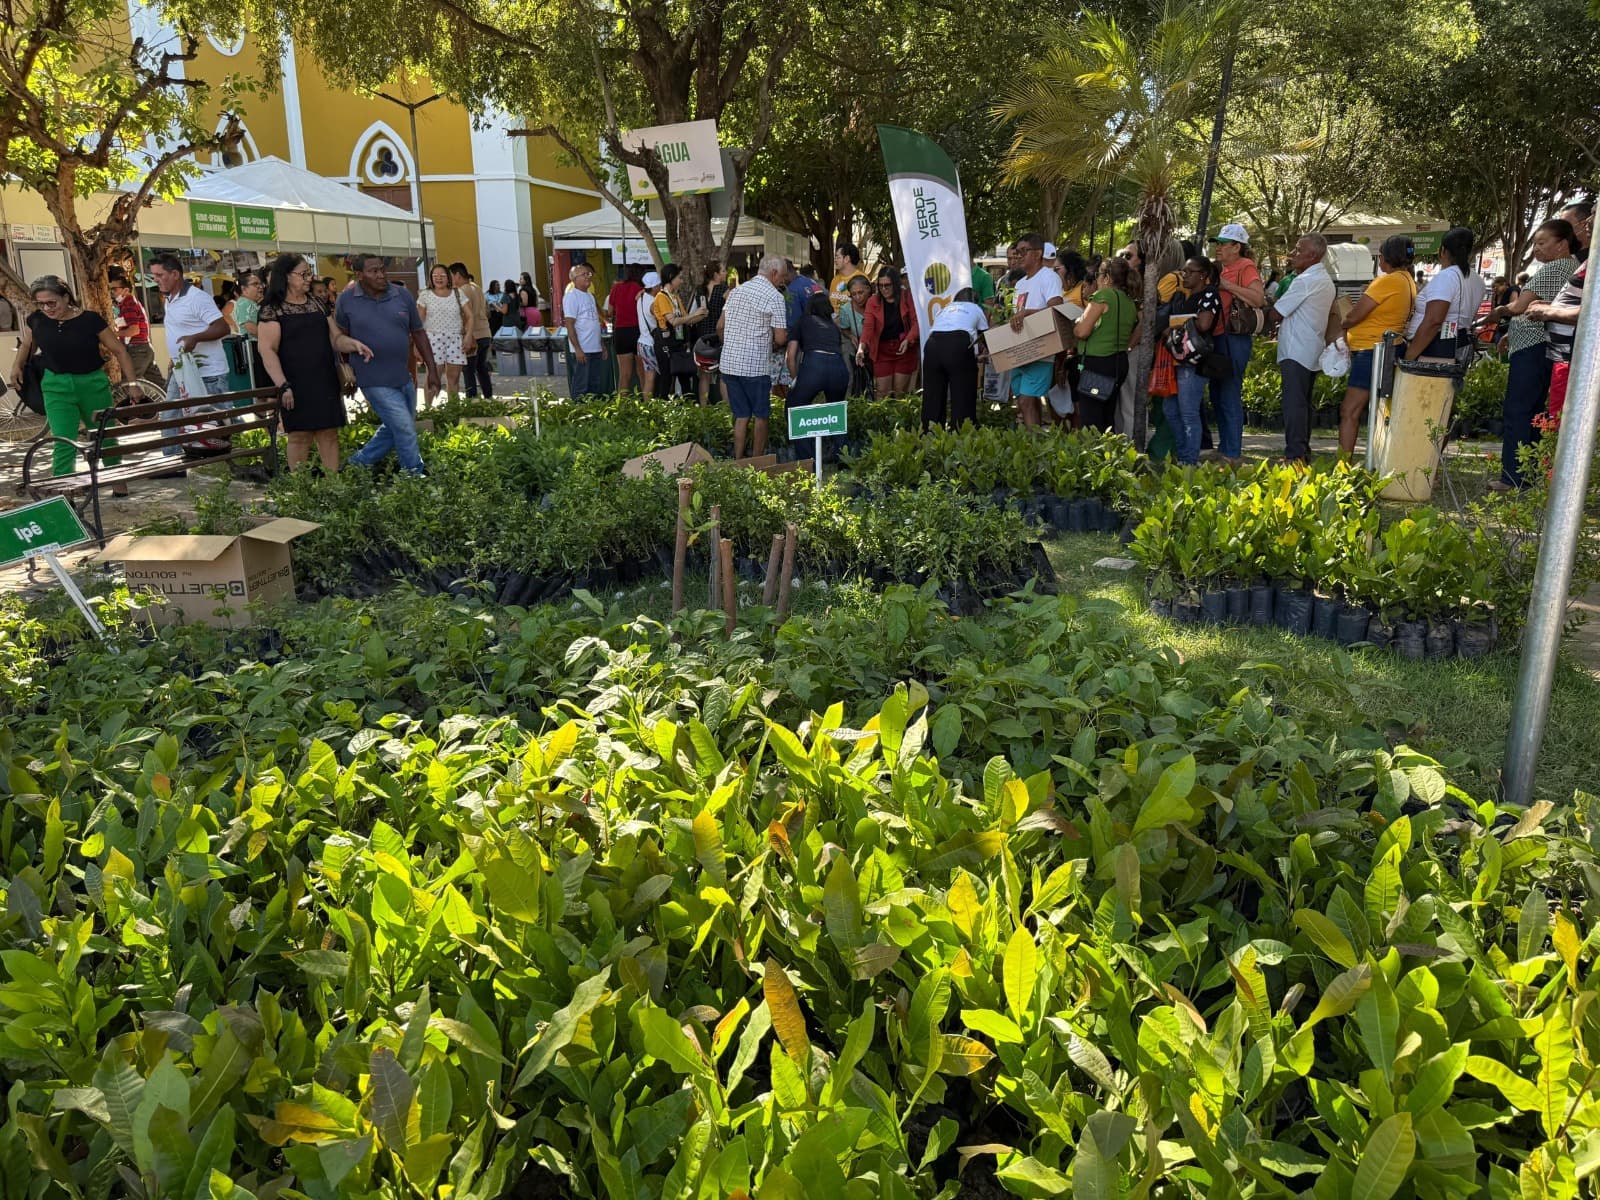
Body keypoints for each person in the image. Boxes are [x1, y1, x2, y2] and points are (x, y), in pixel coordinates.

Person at [7, 275, 135, 479]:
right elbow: (27, 345)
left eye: (51, 302)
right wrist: (17, 366)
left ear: (66, 297)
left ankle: (117, 481)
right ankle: (64, 488)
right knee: (63, 440)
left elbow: (120, 351)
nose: (47, 308)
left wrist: (133, 383)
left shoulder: (90, 320)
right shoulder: (37, 320)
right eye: (41, 304)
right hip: (55, 386)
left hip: (92, 384)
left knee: (105, 437)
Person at [257, 254, 373, 472]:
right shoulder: (272, 309)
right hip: (294, 383)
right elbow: (267, 351)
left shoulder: (317, 303)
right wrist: (283, 385)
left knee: (329, 433)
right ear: (286, 276)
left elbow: (335, 339)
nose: (309, 278)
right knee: (299, 436)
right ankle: (300, 488)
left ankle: (333, 484)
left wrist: (353, 344)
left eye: (309, 273)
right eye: (303, 274)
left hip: (324, 378)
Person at [1487, 219, 1578, 489]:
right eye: (1535, 244)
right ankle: (1529, 471)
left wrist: (1499, 312)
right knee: (1534, 411)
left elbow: (1519, 307)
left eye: (1542, 243)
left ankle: (1513, 476)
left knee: (1518, 409)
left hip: (1533, 347)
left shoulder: (1556, 267)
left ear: (1561, 244)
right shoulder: (1571, 266)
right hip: (1540, 344)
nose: (1537, 249)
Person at [337, 253, 437, 475]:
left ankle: (356, 464)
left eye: (382, 269)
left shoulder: (401, 294)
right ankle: (414, 473)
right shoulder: (346, 300)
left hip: (402, 376)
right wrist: (346, 373)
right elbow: (339, 338)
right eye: (373, 271)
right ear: (359, 275)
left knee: (395, 428)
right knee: (403, 425)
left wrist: (432, 369)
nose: (381, 275)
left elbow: (418, 332)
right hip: (371, 377)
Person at [1338, 234, 1416, 457]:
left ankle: (1343, 465)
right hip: (1385, 348)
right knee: (1375, 410)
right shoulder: (1407, 280)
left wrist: (1344, 321)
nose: (1378, 260)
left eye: (1379, 256)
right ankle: (1374, 459)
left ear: (1386, 257)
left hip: (1371, 351)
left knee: (1350, 410)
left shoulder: (1387, 281)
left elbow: (1354, 316)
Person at [150, 252, 230, 462]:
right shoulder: (169, 299)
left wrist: (195, 338)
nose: (156, 280)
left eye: (160, 275)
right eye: (154, 276)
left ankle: (225, 462)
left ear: (175, 274)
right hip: (182, 370)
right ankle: (172, 463)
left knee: (214, 421)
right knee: (170, 416)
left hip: (208, 372)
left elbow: (223, 327)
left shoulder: (197, 298)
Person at [1268, 233, 1336, 463]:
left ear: (1313, 255)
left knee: (1294, 405)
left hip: (1296, 351)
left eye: (1298, 250)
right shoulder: (1324, 279)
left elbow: (1277, 313)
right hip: (1310, 348)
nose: (1292, 254)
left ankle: (1295, 455)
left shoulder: (1305, 280)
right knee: (1302, 404)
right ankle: (1301, 452)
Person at [717, 254, 789, 460]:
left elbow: (720, 326)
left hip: (729, 363)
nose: (783, 281)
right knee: (761, 415)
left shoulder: (735, 292)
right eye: (782, 277)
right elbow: (781, 338)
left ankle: (738, 460)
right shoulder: (775, 297)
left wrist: (731, 344)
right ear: (774, 273)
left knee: (741, 415)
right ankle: (757, 463)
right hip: (755, 366)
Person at [1206, 223, 1265, 464]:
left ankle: (1232, 451)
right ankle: (1225, 447)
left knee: (1229, 393)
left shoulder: (1245, 266)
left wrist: (1227, 285)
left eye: (1223, 244)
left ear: (1237, 247)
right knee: (1218, 393)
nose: (1218, 248)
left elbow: (1258, 298)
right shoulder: (1222, 268)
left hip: (1235, 337)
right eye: (1217, 244)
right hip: (1219, 336)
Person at [1163, 257, 1223, 465]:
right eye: (1183, 271)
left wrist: (1175, 326)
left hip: (1195, 362)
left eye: (1190, 272)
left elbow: (1204, 324)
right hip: (1178, 359)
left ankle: (1189, 460)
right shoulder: (1187, 296)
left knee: (1188, 412)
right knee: (1170, 410)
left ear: (1203, 275)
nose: (1184, 276)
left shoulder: (1209, 294)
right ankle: (1184, 455)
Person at [999, 233, 1064, 426]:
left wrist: (1027, 313)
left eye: (1023, 251)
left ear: (1037, 254)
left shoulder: (1049, 277)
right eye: (1016, 252)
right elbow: (1017, 316)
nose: (1018, 256)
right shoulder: (1020, 283)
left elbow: (1056, 310)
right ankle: (1034, 438)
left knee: (1026, 401)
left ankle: (1032, 441)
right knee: (1024, 402)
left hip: (1041, 349)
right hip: (1021, 349)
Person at [1072, 257, 1139, 430]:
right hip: (1117, 363)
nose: (1096, 279)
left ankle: (1095, 448)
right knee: (1107, 415)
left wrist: (1077, 324)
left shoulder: (1103, 295)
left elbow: (1082, 332)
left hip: (1097, 365)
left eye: (1098, 274)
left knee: (1091, 418)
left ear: (1107, 278)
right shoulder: (1129, 300)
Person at [1403, 226, 1482, 362]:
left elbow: (1434, 321)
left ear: (1443, 250)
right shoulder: (1477, 280)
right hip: (1457, 342)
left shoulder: (1447, 276)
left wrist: (1409, 356)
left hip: (1435, 347)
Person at [787, 291, 851, 458]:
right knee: (835, 410)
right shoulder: (833, 326)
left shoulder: (803, 321)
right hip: (838, 367)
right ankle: (843, 456)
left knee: (795, 407)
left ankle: (807, 459)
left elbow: (790, 356)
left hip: (814, 365)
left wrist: (795, 380)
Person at [1524, 257, 1587, 422]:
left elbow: (1593, 310)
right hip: (1565, 358)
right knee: (1557, 419)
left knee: (1562, 422)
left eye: (1541, 244)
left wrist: (1549, 312)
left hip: (1574, 360)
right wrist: (1551, 306)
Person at [921, 287, 988, 430]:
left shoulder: (944, 309)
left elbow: (945, 334)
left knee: (933, 395)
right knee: (963, 392)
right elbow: (985, 336)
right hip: (958, 343)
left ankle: (930, 433)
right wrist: (988, 354)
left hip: (932, 346)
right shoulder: (975, 308)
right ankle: (960, 432)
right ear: (974, 301)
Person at [858, 267, 920, 399]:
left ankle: (899, 413)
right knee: (882, 392)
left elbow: (916, 322)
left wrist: (908, 339)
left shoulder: (907, 297)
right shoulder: (873, 301)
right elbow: (868, 327)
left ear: (895, 284)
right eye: (880, 286)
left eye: (887, 285)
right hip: (882, 350)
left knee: (900, 391)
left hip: (903, 349)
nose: (884, 289)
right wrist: (861, 347)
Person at [417, 263, 471, 404]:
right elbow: (419, 321)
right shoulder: (425, 295)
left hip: (455, 338)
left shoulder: (458, 293)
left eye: (442, 275)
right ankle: (428, 410)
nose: (439, 278)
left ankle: (453, 410)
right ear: (430, 278)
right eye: (435, 276)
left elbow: (470, 316)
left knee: (454, 378)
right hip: (433, 339)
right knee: (433, 376)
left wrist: (468, 336)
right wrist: (417, 344)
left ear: (448, 277)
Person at [651, 264, 703, 397]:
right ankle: (662, 406)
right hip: (665, 344)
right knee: (666, 379)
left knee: (684, 377)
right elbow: (673, 321)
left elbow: (687, 319)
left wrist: (701, 315)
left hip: (677, 343)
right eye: (679, 278)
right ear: (670, 277)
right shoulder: (661, 297)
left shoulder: (675, 297)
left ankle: (688, 405)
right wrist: (694, 314)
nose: (682, 281)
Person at [562, 262, 607, 401]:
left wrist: (602, 345)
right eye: (584, 274)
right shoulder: (571, 297)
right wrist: (577, 349)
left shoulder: (590, 296)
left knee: (594, 385)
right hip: (583, 349)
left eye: (589, 273)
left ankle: (592, 409)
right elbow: (570, 325)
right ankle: (579, 410)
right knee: (581, 385)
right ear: (574, 279)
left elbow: (595, 322)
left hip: (595, 348)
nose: (588, 276)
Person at [109, 268, 162, 387]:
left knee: (129, 383)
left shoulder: (128, 303)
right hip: (144, 348)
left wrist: (113, 334)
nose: (112, 292)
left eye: (115, 289)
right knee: (159, 385)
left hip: (137, 349)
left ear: (126, 290)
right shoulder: (128, 303)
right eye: (111, 289)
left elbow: (134, 330)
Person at [451, 264, 494, 400]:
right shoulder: (477, 287)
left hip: (473, 335)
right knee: (481, 367)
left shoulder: (461, 291)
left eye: (451, 276)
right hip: (485, 332)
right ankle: (488, 397)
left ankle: (472, 400)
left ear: (457, 275)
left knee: (468, 369)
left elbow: (465, 314)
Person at [605, 264, 646, 394]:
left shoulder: (616, 288)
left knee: (624, 374)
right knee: (642, 373)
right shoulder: (641, 290)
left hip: (621, 332)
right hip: (638, 332)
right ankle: (647, 402)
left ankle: (622, 403)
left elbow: (610, 312)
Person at [693, 262, 729, 404]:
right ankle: (725, 407)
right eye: (723, 270)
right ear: (716, 274)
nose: (726, 273)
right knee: (723, 373)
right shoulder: (724, 290)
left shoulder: (699, 290)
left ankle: (703, 407)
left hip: (702, 336)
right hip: (718, 336)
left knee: (704, 374)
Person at [836, 274, 873, 395]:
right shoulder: (846, 309)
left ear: (868, 289)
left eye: (861, 292)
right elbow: (844, 329)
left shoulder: (877, 305)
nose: (858, 297)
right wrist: (851, 336)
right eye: (853, 294)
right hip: (856, 346)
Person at [635, 270, 662, 398]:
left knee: (648, 377)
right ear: (654, 286)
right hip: (651, 344)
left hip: (642, 342)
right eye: (659, 285)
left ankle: (647, 405)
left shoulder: (641, 298)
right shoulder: (653, 303)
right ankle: (650, 405)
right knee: (652, 377)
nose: (661, 287)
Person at [830, 243, 863, 312]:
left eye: (838, 257)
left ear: (847, 259)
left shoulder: (861, 280)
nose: (835, 260)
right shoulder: (835, 280)